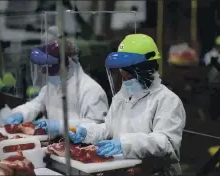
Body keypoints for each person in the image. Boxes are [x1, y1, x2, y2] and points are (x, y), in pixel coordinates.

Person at [69, 34, 186, 175]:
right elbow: (108, 129)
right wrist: (86, 133)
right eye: (123, 74)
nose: (125, 79)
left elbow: (165, 143)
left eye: (130, 75)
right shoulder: (121, 97)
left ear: (147, 68)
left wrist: (124, 144)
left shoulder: (167, 100)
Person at [4, 39, 109, 137]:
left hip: (80, 148)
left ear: (67, 64)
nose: (50, 76)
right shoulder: (52, 86)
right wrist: (21, 113)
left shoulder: (91, 89)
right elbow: (37, 104)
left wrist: (59, 126)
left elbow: (98, 125)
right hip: (56, 145)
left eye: (53, 71)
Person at [203, 35, 220, 121]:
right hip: (211, 83)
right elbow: (207, 67)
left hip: (219, 83)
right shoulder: (209, 55)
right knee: (211, 102)